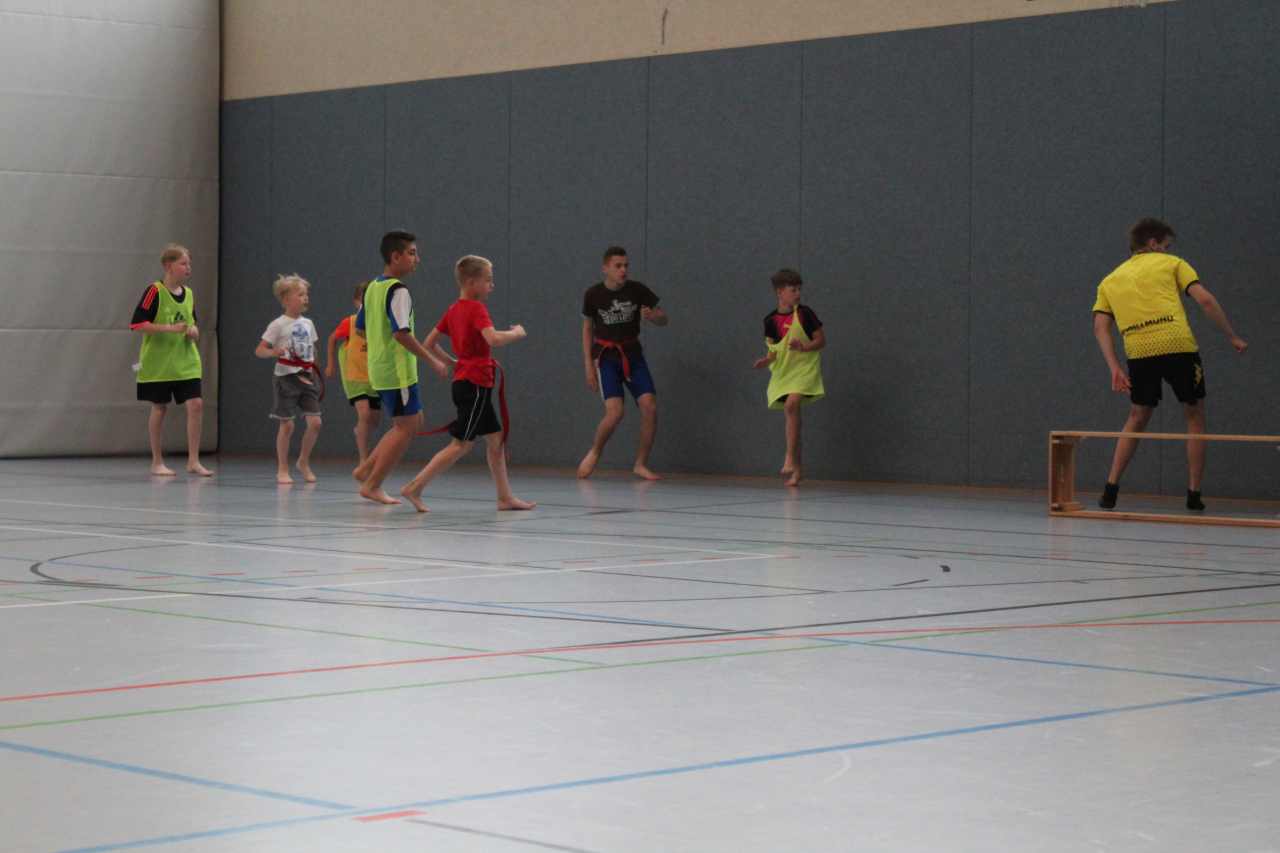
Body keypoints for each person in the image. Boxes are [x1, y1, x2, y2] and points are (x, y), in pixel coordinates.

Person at [1092, 217, 1248, 511]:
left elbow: (1100, 327)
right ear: (1153, 244)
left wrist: (1114, 367)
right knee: (1194, 414)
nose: (1167, 251)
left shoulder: (1109, 280)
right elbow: (1205, 301)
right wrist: (1232, 336)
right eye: (1166, 246)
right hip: (1178, 346)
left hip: (1139, 352)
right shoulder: (1173, 264)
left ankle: (1110, 490)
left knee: (1137, 416)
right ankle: (1194, 494)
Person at [400, 256, 536, 513]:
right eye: (488, 280)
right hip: (474, 385)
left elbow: (429, 343)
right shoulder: (476, 309)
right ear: (472, 282)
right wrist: (517, 333)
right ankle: (415, 487)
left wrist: (451, 361)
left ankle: (505, 497)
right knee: (461, 444)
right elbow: (493, 339)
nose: (492, 286)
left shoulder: (453, 310)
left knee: (495, 440)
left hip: (468, 382)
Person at [352, 230, 449, 505]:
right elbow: (401, 334)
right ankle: (372, 485)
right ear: (395, 257)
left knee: (413, 423)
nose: (417, 259)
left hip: (381, 368)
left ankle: (365, 469)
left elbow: (360, 328)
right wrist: (432, 360)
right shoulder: (398, 290)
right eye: (412, 253)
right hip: (397, 372)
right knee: (405, 427)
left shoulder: (373, 287)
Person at [577, 245, 668, 480]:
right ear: (605, 268)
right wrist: (588, 365)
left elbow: (664, 319)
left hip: (632, 355)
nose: (623, 270)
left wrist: (654, 316)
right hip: (606, 358)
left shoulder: (637, 290)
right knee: (615, 412)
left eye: (626, 265)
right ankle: (595, 451)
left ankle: (640, 463)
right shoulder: (593, 295)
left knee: (649, 406)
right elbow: (587, 329)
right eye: (618, 266)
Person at [130, 243, 212, 477]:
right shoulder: (154, 292)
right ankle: (157, 462)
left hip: (186, 362)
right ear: (168, 266)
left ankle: (193, 461)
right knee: (159, 408)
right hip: (159, 364)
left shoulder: (190, 294)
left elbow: (192, 323)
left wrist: (193, 331)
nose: (188, 268)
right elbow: (137, 324)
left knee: (196, 404)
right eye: (183, 263)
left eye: (189, 264)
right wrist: (169, 328)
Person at [753, 268, 825, 487]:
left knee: (791, 405)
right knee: (793, 415)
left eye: (799, 289)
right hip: (784, 373)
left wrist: (804, 347)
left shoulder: (805, 314)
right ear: (780, 292)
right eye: (793, 290)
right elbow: (773, 351)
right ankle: (798, 470)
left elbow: (821, 341)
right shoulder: (770, 320)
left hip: (804, 369)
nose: (798, 294)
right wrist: (766, 361)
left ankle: (789, 457)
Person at [255, 274, 322, 484]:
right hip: (286, 378)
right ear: (285, 300)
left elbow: (313, 348)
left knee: (315, 423)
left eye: (306, 294)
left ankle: (303, 461)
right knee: (287, 426)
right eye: (300, 294)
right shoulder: (278, 324)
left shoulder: (308, 323)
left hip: (307, 377)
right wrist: (274, 351)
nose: (305, 298)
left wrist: (314, 369)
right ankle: (282, 468)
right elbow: (260, 350)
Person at [324, 281, 381, 465]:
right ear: (356, 302)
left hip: (374, 377)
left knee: (374, 420)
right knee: (364, 415)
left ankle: (360, 432)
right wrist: (331, 364)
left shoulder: (379, 324)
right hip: (354, 376)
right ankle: (364, 459)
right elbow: (332, 339)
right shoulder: (351, 322)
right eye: (364, 300)